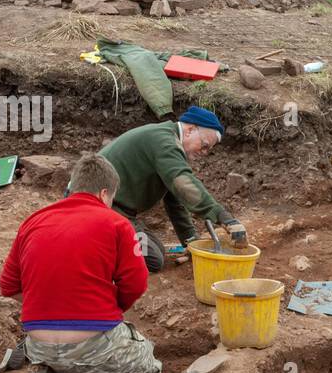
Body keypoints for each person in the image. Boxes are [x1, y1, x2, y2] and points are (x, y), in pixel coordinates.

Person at [0, 153, 161, 373]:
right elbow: (136, 283)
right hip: (93, 344)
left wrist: (47, 303)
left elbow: (8, 287)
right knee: (150, 367)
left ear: (72, 188)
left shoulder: (32, 221)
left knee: (61, 360)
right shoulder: (117, 223)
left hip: (39, 344)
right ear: (104, 193)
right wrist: (108, 309)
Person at [99, 106, 247, 272]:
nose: (204, 152)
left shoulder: (167, 142)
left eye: (208, 149)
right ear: (190, 130)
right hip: (98, 208)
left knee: (155, 250)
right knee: (153, 259)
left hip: (116, 210)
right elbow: (183, 183)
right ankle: (94, 250)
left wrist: (190, 241)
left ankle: (105, 240)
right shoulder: (164, 142)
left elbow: (174, 200)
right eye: (204, 145)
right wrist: (223, 217)